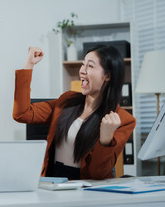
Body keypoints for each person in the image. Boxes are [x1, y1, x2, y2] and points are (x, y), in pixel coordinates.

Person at [13, 45, 135, 180]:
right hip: (53, 183)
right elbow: (22, 113)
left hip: (86, 189)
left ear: (107, 76)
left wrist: (105, 140)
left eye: (90, 66)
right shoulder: (67, 101)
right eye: (83, 64)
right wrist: (28, 66)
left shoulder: (122, 120)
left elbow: (97, 174)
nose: (82, 71)